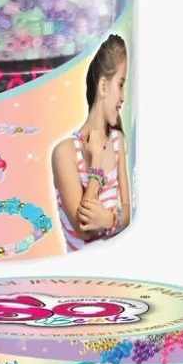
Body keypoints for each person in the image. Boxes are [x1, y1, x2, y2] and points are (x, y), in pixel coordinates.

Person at [52, 33, 132, 246]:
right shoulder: (65, 153)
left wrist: (109, 220)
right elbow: (83, 229)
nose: (123, 97)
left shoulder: (117, 141)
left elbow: (128, 210)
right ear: (103, 86)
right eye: (120, 85)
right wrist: (95, 164)